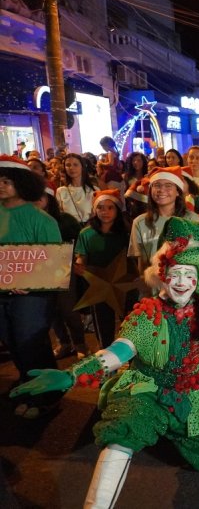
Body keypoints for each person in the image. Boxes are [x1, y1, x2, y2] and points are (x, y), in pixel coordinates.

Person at [11, 217, 199, 506]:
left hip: (188, 391)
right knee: (123, 434)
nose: (182, 282)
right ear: (162, 275)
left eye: (189, 274)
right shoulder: (148, 314)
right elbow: (120, 350)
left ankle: (168, 428)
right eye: (175, 273)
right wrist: (71, 376)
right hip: (147, 390)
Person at [0, 155, 64, 419]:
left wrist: (30, 283)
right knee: (11, 341)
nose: (1, 186)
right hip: (2, 293)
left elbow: (55, 265)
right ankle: (27, 386)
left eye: (6, 181)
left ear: (22, 183)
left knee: (32, 343)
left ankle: (46, 395)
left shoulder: (42, 220)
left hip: (33, 296)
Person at [73, 190, 131, 348]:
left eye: (110, 207)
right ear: (94, 210)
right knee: (103, 326)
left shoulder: (126, 233)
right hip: (98, 285)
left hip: (125, 285)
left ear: (117, 210)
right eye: (100, 207)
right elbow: (81, 256)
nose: (105, 212)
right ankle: (107, 361)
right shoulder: (86, 233)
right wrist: (79, 266)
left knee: (129, 324)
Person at [129, 167, 199, 275]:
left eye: (168, 185)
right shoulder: (139, 222)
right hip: (153, 287)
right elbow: (141, 262)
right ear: (150, 191)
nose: (161, 190)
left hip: (184, 286)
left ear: (177, 192)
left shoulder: (192, 219)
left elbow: (198, 259)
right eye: (157, 185)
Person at [56, 153, 99, 225]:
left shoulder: (94, 190)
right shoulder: (61, 191)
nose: (71, 168)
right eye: (68, 165)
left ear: (82, 166)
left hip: (90, 228)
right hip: (69, 230)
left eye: (75, 164)